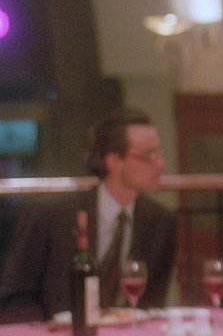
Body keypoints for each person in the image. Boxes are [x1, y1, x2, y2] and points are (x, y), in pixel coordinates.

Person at [0, 107, 177, 323]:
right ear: (113, 161)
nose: (160, 164)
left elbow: (152, 304)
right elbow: (15, 297)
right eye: (149, 156)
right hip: (57, 333)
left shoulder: (161, 222)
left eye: (160, 153)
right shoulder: (52, 216)